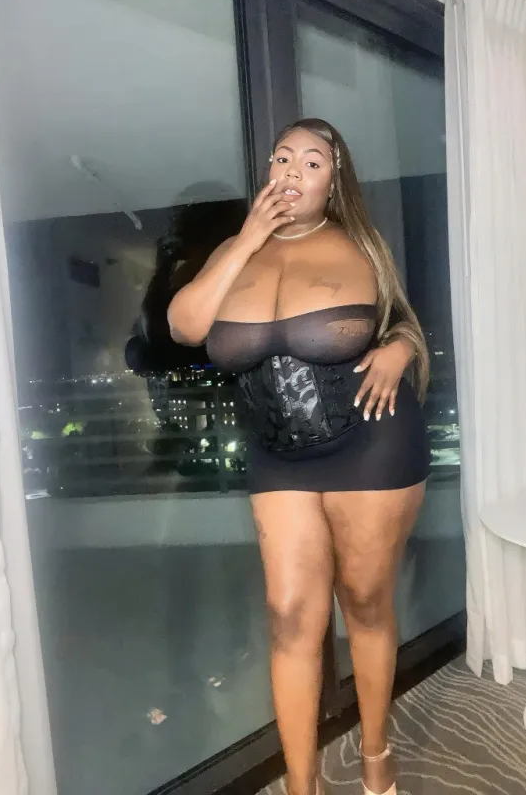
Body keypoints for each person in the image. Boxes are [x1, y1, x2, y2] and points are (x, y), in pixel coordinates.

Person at [168, 118, 430, 795]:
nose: (293, 171)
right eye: (283, 158)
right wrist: (247, 238)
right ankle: (301, 785)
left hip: (372, 443)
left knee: (364, 602)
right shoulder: (235, 250)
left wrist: (400, 349)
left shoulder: (361, 243)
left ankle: (375, 755)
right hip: (277, 456)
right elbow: (185, 326)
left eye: (312, 162)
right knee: (290, 616)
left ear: (333, 181)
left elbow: (401, 318)